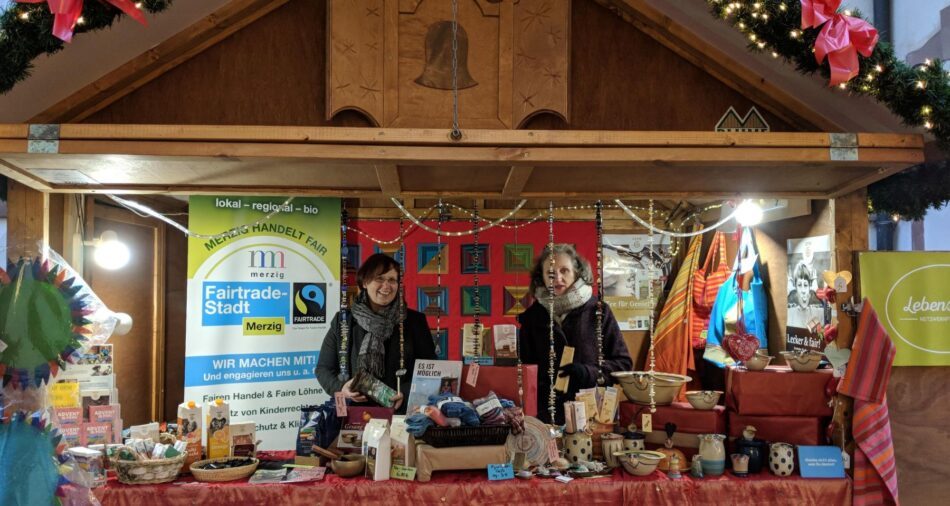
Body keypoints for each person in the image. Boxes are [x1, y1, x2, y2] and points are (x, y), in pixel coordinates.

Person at [518, 244, 633, 424]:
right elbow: (523, 372)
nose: (558, 278)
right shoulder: (532, 318)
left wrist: (588, 372)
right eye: (550, 273)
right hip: (545, 418)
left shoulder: (599, 311)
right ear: (541, 278)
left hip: (592, 417)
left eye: (564, 270)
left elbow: (623, 364)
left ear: (577, 273)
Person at [316, 253, 436, 415]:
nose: (386, 286)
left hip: (400, 414)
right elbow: (323, 368)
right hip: (353, 415)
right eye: (379, 279)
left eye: (392, 280)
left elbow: (430, 370)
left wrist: (406, 393)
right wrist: (341, 387)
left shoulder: (415, 321)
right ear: (365, 282)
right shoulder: (343, 321)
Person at [786, 262, 827, 330]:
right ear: (795, 287)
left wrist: (816, 290)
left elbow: (830, 314)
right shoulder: (790, 313)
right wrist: (789, 290)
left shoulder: (817, 312)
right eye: (799, 285)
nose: (803, 291)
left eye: (805, 285)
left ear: (809, 287)